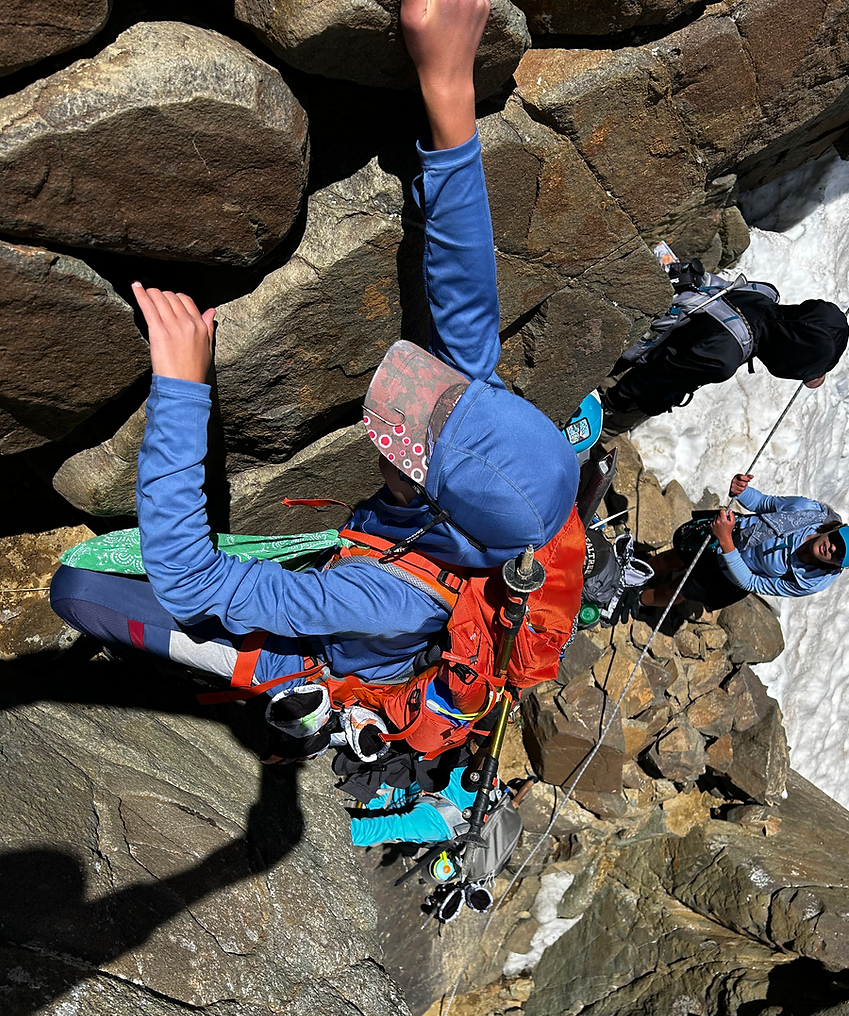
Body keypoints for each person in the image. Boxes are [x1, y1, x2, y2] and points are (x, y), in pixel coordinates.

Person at [50, 0, 583, 762]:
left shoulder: (387, 600)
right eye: (434, 403)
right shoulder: (479, 454)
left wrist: (181, 390)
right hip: (375, 561)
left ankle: (270, 701)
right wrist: (450, 88)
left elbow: (191, 580)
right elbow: (466, 302)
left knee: (75, 589)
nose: (393, 430)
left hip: (326, 649)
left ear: (437, 511)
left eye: (404, 445)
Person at [602, 263, 849, 431]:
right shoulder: (723, 358)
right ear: (791, 355)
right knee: (600, 428)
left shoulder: (763, 293)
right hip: (624, 372)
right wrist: (614, 402)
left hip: (638, 329)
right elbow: (655, 376)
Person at [641, 473, 849, 609]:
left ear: (841, 566)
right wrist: (742, 491)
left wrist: (726, 541)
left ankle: (636, 600)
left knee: (678, 590)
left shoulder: (812, 581)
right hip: (732, 533)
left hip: (730, 575)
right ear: (839, 528)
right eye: (839, 539)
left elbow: (752, 582)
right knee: (673, 559)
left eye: (840, 554)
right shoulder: (808, 511)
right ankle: (633, 573)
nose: (832, 548)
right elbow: (766, 504)